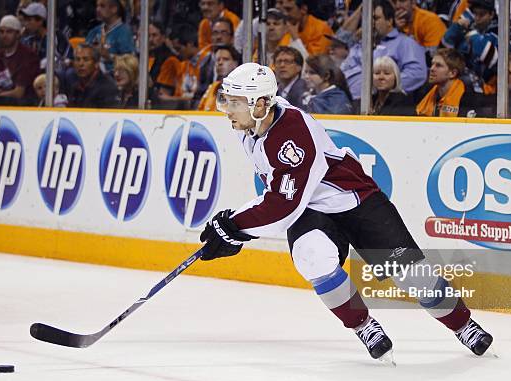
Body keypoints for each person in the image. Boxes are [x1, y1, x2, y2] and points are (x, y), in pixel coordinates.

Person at [203, 61, 494, 363]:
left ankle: (463, 325)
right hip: (311, 210)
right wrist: (233, 228)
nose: (227, 109)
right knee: (312, 258)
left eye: (234, 102)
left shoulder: (292, 134)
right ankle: (365, 326)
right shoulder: (249, 122)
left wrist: (233, 226)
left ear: (261, 104)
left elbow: (282, 206)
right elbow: (287, 201)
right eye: (226, 100)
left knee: (412, 276)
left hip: (356, 200)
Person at [338, 0, 427, 99]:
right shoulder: (361, 44)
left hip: (382, 102)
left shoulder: (405, 43)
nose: (370, 23)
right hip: (345, 99)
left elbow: (416, 74)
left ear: (389, 21)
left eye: (375, 18)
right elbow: (344, 68)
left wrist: (382, 84)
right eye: (366, 19)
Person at [416, 48, 485, 117]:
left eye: (438, 65)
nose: (432, 69)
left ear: (452, 73)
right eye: (432, 64)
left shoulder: (468, 98)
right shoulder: (426, 92)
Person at [0, 15, 40, 106]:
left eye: (9, 32)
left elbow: (19, 93)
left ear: (18, 34)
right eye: (1, 32)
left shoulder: (28, 55)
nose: (4, 35)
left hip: (23, 104)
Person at [20, 2, 72, 73]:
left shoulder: (56, 37)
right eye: (25, 20)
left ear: (40, 21)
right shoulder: (27, 40)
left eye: (29, 20)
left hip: (54, 75)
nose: (26, 23)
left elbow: (65, 60)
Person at [85, 0, 135, 74]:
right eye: (97, 6)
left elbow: (130, 61)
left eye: (102, 6)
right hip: (92, 74)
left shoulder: (124, 32)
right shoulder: (94, 31)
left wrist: (109, 56)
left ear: (114, 9)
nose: (97, 9)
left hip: (113, 76)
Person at [64, 43, 119, 108]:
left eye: (86, 59)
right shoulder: (74, 85)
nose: (81, 64)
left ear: (96, 63)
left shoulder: (108, 88)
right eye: (77, 59)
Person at [197, 44, 241, 111]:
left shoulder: (241, 90)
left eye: (225, 59)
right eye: (218, 60)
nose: (220, 63)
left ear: (235, 64)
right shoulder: (213, 86)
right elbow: (199, 110)